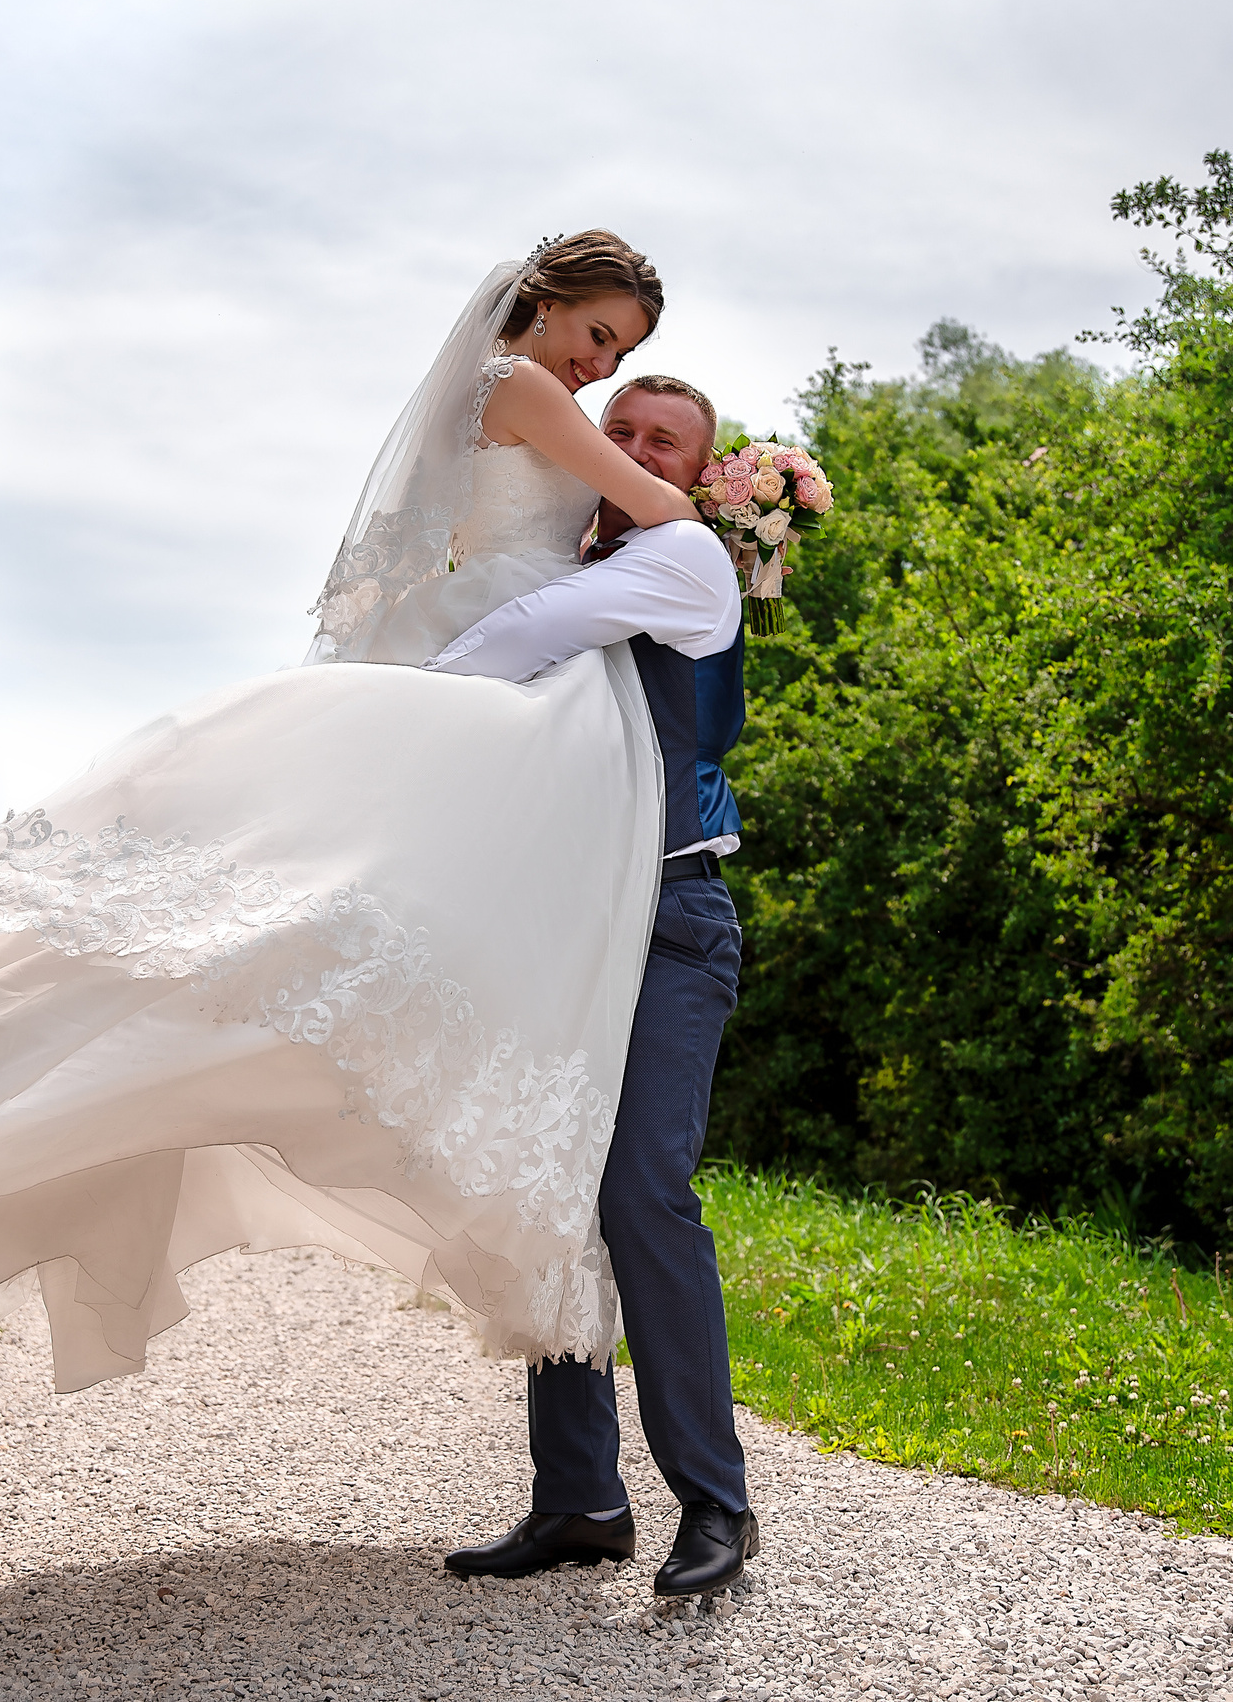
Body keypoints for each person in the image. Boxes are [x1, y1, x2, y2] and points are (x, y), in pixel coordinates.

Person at [0, 235, 702, 1411]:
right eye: (598, 336)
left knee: (358, 922)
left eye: (618, 351)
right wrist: (729, 496)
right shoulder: (517, 385)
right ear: (545, 302)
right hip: (516, 646)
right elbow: (655, 505)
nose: (596, 365)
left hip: (502, 627)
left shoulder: (495, 391)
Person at [425, 375, 760, 1597]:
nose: (625, 448)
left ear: (696, 473)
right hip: (558, 914)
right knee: (553, 1188)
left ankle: (715, 1503)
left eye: (658, 440)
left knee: (641, 1194)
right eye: (613, 426)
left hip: (669, 914)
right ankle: (578, 1499)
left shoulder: (684, 561)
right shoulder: (553, 553)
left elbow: (508, 647)